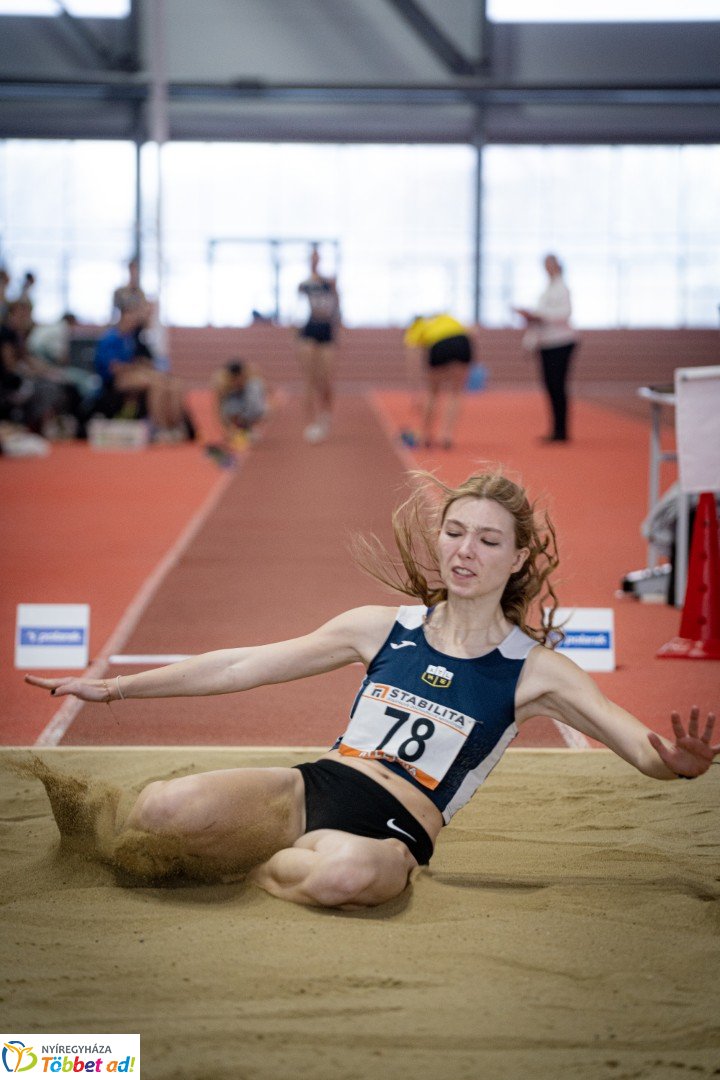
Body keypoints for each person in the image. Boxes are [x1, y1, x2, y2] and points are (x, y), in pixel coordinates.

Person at [25, 469, 718, 911]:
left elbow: (633, 739)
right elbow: (243, 666)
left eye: (487, 540)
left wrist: (673, 764)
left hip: (396, 832)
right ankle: (263, 848)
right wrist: (117, 689)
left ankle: (256, 870)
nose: (465, 551)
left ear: (518, 559)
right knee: (163, 807)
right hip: (315, 788)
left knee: (346, 878)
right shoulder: (381, 628)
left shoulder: (534, 668)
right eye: (454, 532)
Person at [93, 308, 191, 441]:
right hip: (115, 380)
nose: (132, 323)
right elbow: (114, 368)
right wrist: (136, 367)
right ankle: (160, 426)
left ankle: (173, 425)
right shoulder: (110, 338)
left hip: (133, 373)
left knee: (173, 384)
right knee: (155, 383)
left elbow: (137, 360)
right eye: (129, 319)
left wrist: (142, 365)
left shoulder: (130, 339)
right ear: (121, 319)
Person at [513, 254, 578, 443]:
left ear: (558, 265)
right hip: (546, 343)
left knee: (558, 386)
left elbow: (564, 314)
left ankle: (561, 430)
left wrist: (540, 315)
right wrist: (529, 343)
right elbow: (538, 321)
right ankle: (556, 428)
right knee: (550, 386)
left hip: (561, 342)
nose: (547, 267)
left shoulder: (562, 288)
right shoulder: (547, 289)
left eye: (550, 264)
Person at [403, 314, 474, 449]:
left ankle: (425, 436)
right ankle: (447, 435)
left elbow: (412, 358)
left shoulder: (416, 326)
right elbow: (471, 331)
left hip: (440, 345)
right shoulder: (445, 317)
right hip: (463, 341)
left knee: (433, 392)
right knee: (456, 392)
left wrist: (414, 392)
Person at [297, 247, 340, 444]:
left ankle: (325, 416)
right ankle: (310, 422)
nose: (314, 261)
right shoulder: (304, 284)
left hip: (326, 331)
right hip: (310, 329)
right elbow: (295, 309)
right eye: (311, 258)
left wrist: (339, 332)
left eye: (317, 258)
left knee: (326, 379)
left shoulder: (329, 283)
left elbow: (337, 307)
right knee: (309, 379)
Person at [213, 359, 267, 446]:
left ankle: (246, 428)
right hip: (235, 402)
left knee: (256, 396)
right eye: (234, 379)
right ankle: (240, 429)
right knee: (230, 407)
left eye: (239, 378)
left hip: (249, 401)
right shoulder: (222, 382)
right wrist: (227, 430)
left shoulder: (252, 378)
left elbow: (262, 393)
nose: (237, 381)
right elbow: (219, 407)